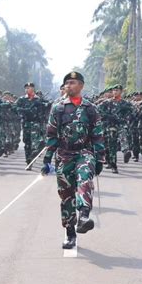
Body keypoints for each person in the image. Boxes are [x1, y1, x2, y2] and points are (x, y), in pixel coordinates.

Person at [41, 71, 105, 250]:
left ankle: (84, 215)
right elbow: (51, 135)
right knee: (66, 195)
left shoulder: (90, 109)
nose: (69, 85)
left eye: (73, 82)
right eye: (67, 82)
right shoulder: (58, 108)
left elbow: (97, 135)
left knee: (85, 180)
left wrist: (100, 158)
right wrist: (47, 160)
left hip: (84, 153)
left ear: (81, 86)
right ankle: (70, 232)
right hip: (63, 155)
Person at [15, 82, 47, 169]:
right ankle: (29, 162)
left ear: (33, 89)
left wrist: (42, 105)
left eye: (29, 87)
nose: (27, 89)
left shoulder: (39, 99)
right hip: (26, 124)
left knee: (36, 144)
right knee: (27, 143)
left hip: (36, 124)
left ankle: (33, 156)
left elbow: (47, 108)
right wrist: (25, 111)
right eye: (26, 88)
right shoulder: (21, 99)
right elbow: (15, 108)